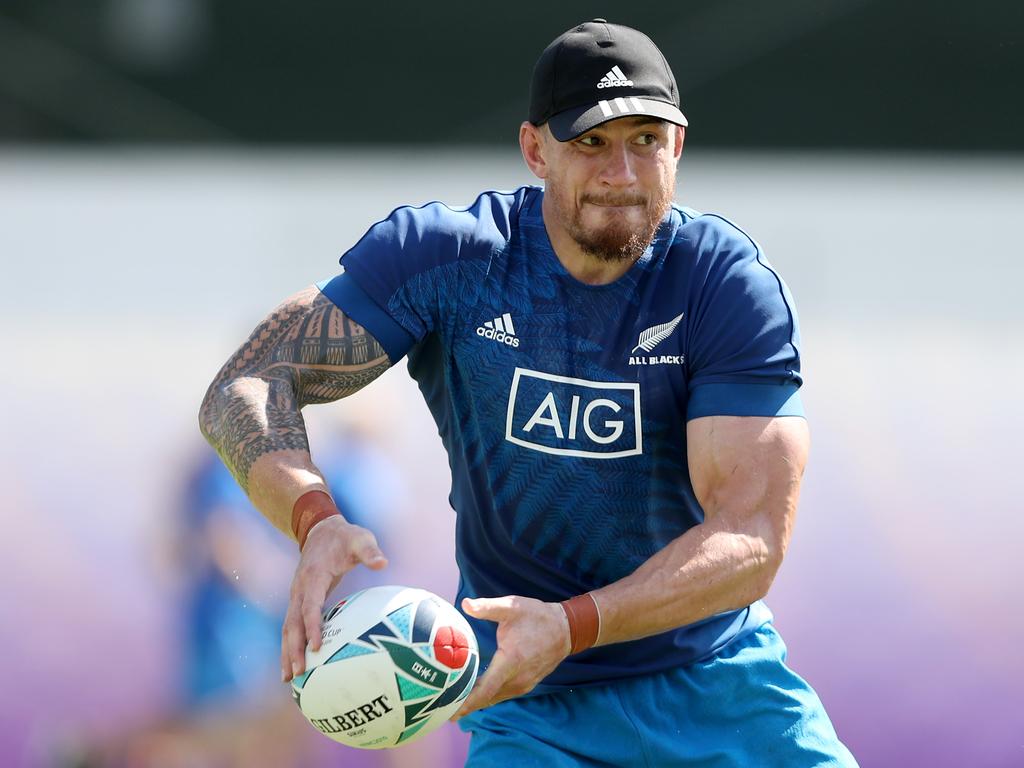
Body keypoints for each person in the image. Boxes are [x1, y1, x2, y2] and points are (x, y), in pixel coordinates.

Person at [199, 18, 858, 767]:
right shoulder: (451, 258)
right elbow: (243, 384)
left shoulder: (723, 284)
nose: (622, 170)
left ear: (676, 146)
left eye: (645, 139)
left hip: (720, 687)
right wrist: (313, 519)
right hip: (532, 706)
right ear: (534, 149)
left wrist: (575, 625)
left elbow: (752, 540)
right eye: (591, 142)